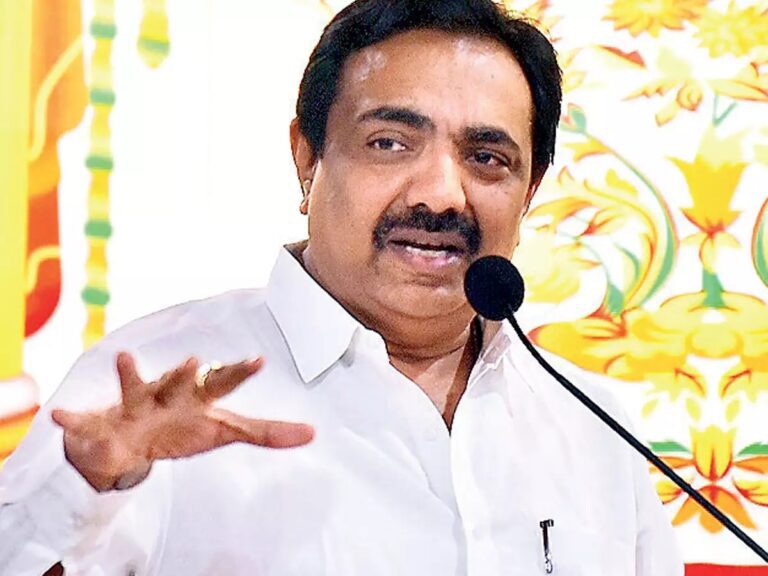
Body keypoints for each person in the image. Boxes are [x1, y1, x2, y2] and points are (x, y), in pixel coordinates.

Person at [0, 0, 684, 574]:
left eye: (486, 157)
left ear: (529, 192)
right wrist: (88, 484)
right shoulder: (147, 391)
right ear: (308, 159)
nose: (441, 194)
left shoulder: (592, 427)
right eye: (390, 143)